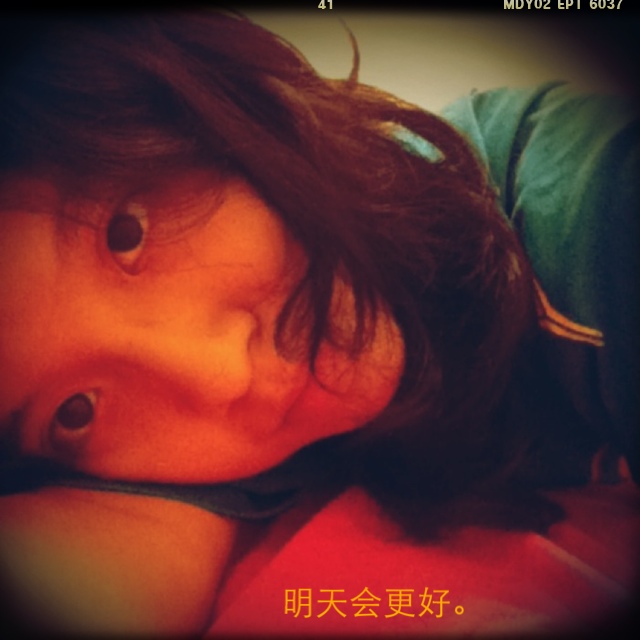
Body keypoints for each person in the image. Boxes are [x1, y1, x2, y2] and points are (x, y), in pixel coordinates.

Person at [0, 12, 637, 635]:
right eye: (75, 412)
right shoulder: (213, 455)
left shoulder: (578, 208)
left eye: (127, 234)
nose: (220, 374)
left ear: (213, 106)